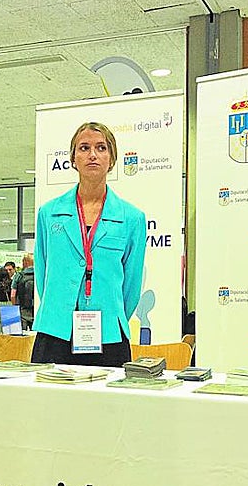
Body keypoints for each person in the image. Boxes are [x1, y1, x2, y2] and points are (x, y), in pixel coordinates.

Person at [31, 121, 146, 367]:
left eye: (101, 148)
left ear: (112, 158)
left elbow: (132, 284)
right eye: (84, 148)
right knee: (51, 403)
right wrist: (60, 305)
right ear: (73, 158)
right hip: (55, 330)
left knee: (107, 405)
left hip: (109, 333)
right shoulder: (49, 214)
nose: (92, 155)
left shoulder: (132, 218)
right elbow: (43, 274)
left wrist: (106, 310)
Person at [10, 252, 35, 330]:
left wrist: (15, 307)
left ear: (25, 262)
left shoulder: (19, 276)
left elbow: (13, 295)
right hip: (36, 311)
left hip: (22, 311)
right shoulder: (39, 275)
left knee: (21, 336)